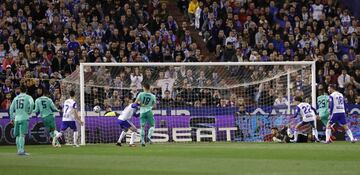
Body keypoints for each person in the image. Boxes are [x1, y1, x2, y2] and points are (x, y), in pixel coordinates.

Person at [9, 85, 34, 155]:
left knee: (17, 135)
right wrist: (30, 111)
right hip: (24, 117)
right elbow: (32, 103)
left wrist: (11, 118)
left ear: (20, 90)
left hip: (17, 118)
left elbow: (11, 109)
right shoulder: (28, 97)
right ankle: (22, 151)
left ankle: (18, 150)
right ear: (26, 90)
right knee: (22, 135)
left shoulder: (16, 98)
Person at [135, 82, 156, 147]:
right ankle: (149, 136)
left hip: (142, 112)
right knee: (152, 125)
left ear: (144, 88)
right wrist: (149, 106)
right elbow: (154, 106)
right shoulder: (153, 96)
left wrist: (141, 104)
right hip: (149, 111)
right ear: (149, 88)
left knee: (142, 127)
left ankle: (142, 140)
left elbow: (135, 103)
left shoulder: (141, 94)